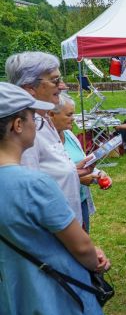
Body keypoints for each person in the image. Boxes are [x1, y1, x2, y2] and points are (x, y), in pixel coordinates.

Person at [0, 82, 111, 314]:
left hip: (15, 294)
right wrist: (96, 262)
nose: (38, 123)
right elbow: (81, 246)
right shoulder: (35, 184)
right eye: (33, 117)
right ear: (18, 125)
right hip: (56, 297)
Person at [5, 51, 92, 225]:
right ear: (30, 88)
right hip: (54, 234)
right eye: (55, 80)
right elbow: (29, 195)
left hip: (66, 227)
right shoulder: (27, 129)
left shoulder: (44, 120)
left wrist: (72, 172)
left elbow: (45, 173)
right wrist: (75, 243)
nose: (62, 86)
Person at [49, 93, 112, 233]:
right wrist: (79, 177)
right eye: (69, 114)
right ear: (51, 114)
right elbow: (46, 176)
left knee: (83, 239)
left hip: (80, 200)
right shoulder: (43, 142)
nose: (73, 118)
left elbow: (81, 161)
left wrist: (98, 173)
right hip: (59, 207)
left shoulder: (69, 134)